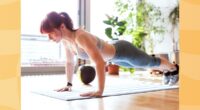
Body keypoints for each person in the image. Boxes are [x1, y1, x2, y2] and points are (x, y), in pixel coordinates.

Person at [40, 11, 179, 97]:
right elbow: (69, 62)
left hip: (123, 51)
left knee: (149, 62)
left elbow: (99, 62)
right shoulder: (66, 42)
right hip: (115, 58)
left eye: (50, 33)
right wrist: (68, 84)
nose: (49, 38)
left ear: (62, 26)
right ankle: (167, 71)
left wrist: (99, 90)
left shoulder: (80, 37)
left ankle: (174, 69)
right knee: (146, 65)